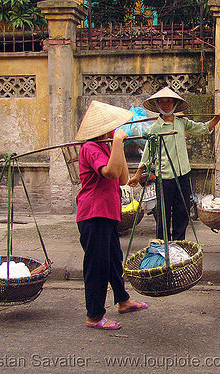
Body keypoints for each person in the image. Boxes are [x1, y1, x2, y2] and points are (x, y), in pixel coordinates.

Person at [75, 100, 148, 330]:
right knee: (97, 266)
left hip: (108, 213)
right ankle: (94, 316)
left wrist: (118, 146)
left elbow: (124, 178)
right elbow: (110, 173)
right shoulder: (90, 148)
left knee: (115, 261)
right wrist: (117, 141)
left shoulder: (107, 147)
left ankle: (123, 300)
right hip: (93, 214)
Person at [128, 87, 220, 241]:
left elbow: (203, 128)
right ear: (157, 105)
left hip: (183, 175)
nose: (165, 105)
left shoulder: (181, 122)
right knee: (163, 214)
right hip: (165, 178)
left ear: (175, 103)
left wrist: (218, 116)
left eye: (169, 101)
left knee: (182, 211)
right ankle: (163, 246)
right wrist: (137, 175)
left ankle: (179, 243)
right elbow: (147, 156)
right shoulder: (154, 128)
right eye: (161, 102)